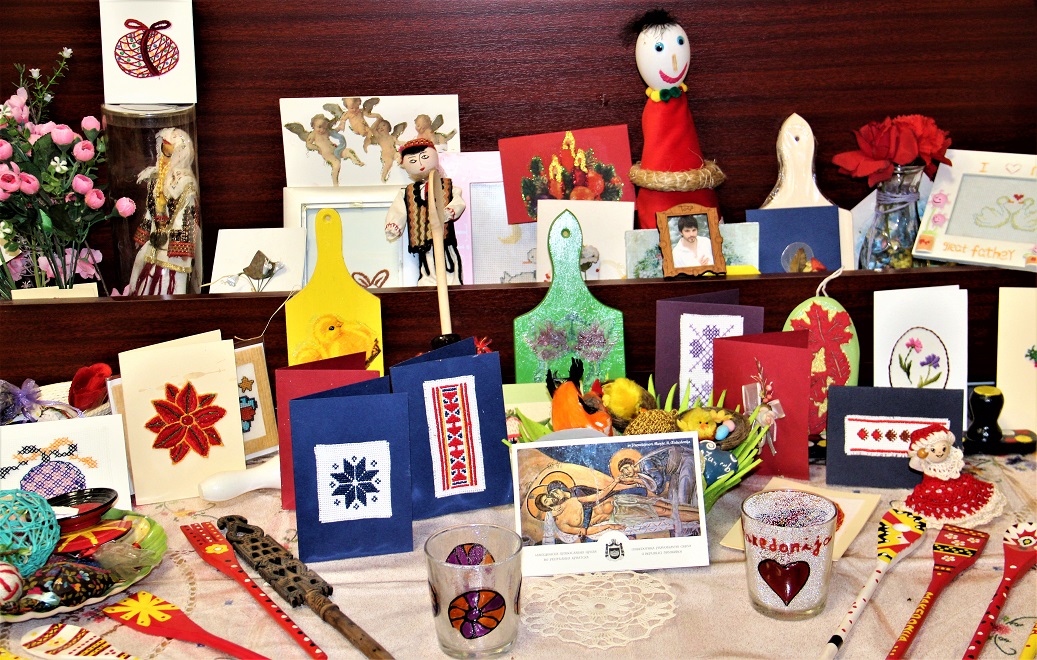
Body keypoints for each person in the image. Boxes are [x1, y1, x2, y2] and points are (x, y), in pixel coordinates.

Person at [624, 10, 723, 229]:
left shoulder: (679, 102)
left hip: (696, 193)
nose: (674, 60)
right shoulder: (655, 109)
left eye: (680, 43)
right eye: (659, 49)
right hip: (658, 197)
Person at [384, 138, 465, 286]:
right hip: (422, 238)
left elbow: (458, 202)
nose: (420, 164)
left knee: (448, 260)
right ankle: (428, 282)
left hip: (444, 238)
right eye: (413, 161)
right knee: (427, 262)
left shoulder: (447, 186)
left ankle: (451, 281)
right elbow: (399, 210)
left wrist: (449, 211)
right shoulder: (407, 192)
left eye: (425, 157)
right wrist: (394, 225)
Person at [129, 127, 198, 295]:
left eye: (170, 153)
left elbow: (186, 216)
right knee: (145, 274)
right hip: (155, 239)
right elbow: (149, 210)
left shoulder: (185, 183)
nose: (165, 158)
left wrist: (181, 246)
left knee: (171, 280)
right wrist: (143, 234)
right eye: (163, 151)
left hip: (173, 246)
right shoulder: (156, 179)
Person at [903, 423, 1005, 528]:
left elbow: (954, 473)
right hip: (933, 487)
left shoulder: (952, 460)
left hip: (955, 482)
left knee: (967, 488)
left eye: (944, 449)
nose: (940, 453)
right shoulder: (926, 466)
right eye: (933, 450)